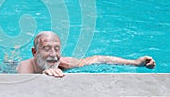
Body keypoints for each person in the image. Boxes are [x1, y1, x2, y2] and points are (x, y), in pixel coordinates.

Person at [17, 31, 156, 78]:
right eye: (46, 49)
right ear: (34, 52)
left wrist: (135, 62)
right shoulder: (25, 68)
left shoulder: (64, 62)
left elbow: (98, 59)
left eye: (57, 49)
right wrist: (43, 76)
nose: (53, 54)